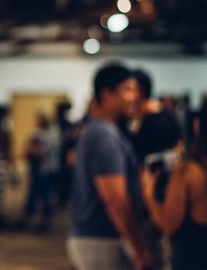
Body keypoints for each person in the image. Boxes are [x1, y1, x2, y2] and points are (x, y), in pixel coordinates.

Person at [67, 63, 152, 270]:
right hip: (103, 240)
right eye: (128, 89)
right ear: (106, 94)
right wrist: (139, 247)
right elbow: (115, 198)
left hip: (97, 238)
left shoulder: (102, 132)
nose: (134, 96)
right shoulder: (104, 135)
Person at [141, 97, 207, 269]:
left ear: (199, 125)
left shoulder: (189, 172)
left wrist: (149, 194)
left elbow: (169, 224)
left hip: (197, 260)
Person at [24, 113, 58, 229]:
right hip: (40, 168)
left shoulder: (48, 135)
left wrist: (33, 149)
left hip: (45, 168)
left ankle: (45, 219)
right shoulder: (43, 133)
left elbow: (40, 151)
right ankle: (32, 216)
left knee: (45, 194)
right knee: (36, 192)